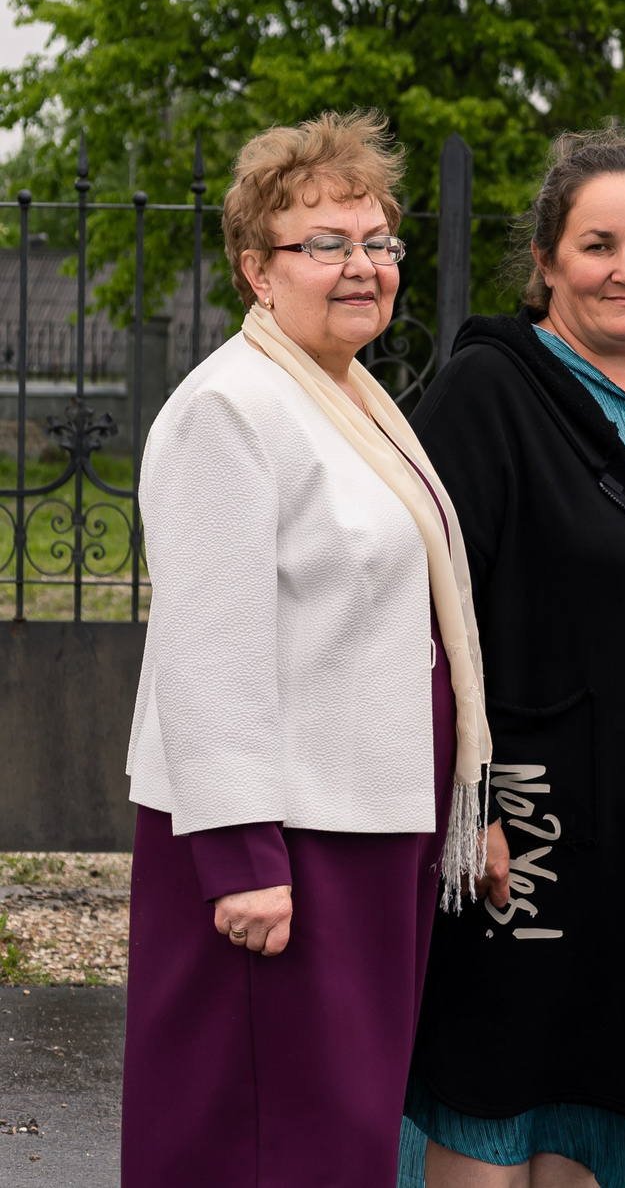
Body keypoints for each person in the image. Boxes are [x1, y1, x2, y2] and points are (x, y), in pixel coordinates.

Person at [123, 111, 500, 1186]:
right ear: (258, 268)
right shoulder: (230, 409)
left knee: (339, 1134)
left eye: (378, 242)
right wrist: (244, 861)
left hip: (371, 824)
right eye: (326, 244)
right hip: (284, 844)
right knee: (266, 1141)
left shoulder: (345, 393)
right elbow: (210, 649)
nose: (362, 266)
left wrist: (466, 807)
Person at [398, 133, 625, 1186]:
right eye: (598, 245)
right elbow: (426, 613)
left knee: (607, 1090)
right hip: (531, 811)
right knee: (493, 1088)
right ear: (546, 259)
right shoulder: (489, 392)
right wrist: (471, 807)